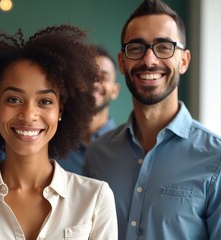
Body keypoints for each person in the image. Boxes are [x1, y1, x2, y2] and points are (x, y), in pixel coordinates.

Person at [0, 24, 118, 239]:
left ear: (60, 109)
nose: (28, 114)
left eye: (45, 101)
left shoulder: (95, 198)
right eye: (14, 99)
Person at [84, 0, 221, 239]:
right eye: (136, 48)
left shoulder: (216, 159)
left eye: (164, 47)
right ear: (122, 62)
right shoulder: (97, 155)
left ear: (184, 61)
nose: (149, 60)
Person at [57, 45, 120, 174]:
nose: (95, 83)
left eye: (104, 77)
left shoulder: (125, 148)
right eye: (88, 76)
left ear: (115, 90)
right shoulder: (53, 140)